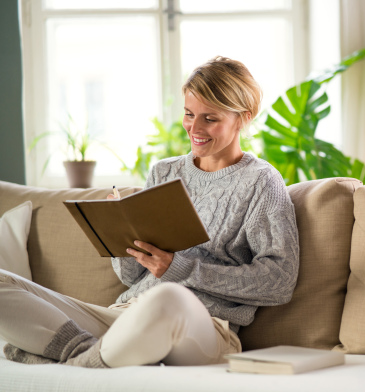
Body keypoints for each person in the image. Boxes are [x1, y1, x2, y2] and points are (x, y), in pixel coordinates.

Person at [0, 56, 300, 368]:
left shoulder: (261, 182)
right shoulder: (164, 172)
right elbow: (132, 275)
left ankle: (75, 362)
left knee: (168, 297)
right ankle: (88, 352)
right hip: (127, 315)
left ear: (243, 118)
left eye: (210, 119)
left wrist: (180, 269)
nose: (194, 128)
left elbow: (279, 281)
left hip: (201, 327)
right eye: (188, 114)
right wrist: (120, 232)